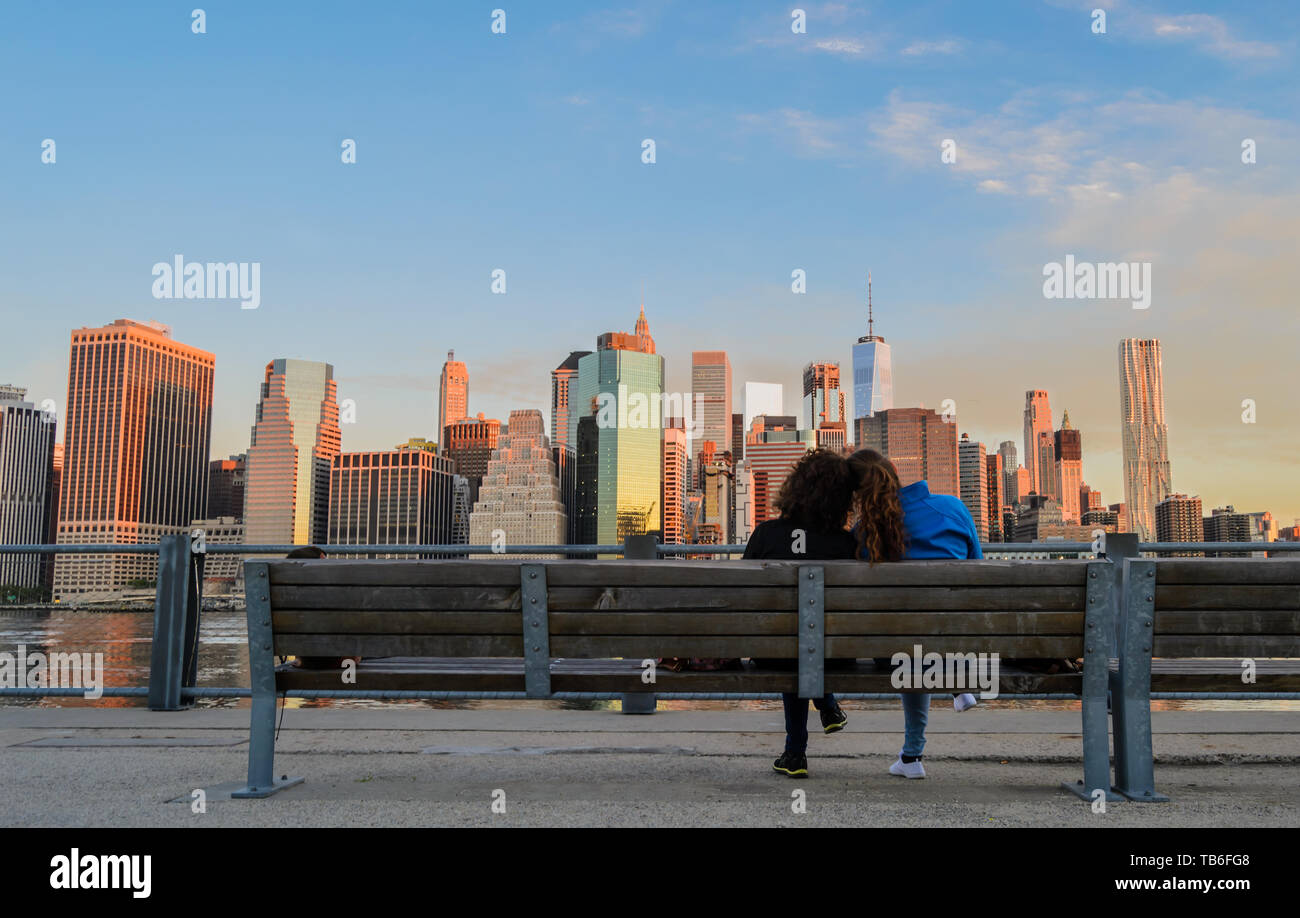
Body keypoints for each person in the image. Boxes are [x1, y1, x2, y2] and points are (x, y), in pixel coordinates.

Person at [848, 449, 983, 780]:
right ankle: (955, 678)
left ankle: (912, 757)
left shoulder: (865, 532)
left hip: (895, 651)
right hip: (954, 642)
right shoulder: (952, 508)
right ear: (895, 469)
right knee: (924, 642)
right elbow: (979, 569)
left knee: (907, 646)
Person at [743, 449, 855, 778]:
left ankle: (796, 754)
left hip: (773, 654)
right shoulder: (847, 544)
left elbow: (742, 597)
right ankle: (826, 706)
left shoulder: (766, 534)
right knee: (807, 646)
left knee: (792, 646)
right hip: (836, 656)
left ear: (794, 487)